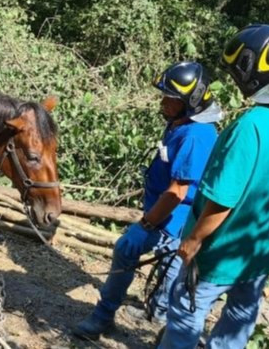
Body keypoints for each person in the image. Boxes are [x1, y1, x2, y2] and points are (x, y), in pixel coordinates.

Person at [159, 24, 269, 348]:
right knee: (240, 317)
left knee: (185, 313)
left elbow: (223, 201)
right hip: (265, 245)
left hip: (222, 251)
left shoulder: (250, 127)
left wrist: (193, 241)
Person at [73, 61, 221, 339]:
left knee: (126, 248)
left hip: (173, 219)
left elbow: (178, 192)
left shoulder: (195, 135)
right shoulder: (181, 123)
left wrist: (148, 222)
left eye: (171, 98)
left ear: (190, 101)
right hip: (167, 215)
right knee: (169, 266)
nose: (163, 102)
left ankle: (103, 316)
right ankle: (159, 311)